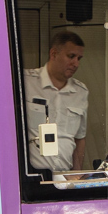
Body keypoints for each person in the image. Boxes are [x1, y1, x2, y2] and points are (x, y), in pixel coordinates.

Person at [22, 30, 89, 172]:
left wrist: (77, 175)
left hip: (64, 174)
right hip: (32, 175)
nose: (76, 63)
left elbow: (79, 138)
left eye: (79, 58)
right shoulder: (26, 82)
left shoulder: (81, 92)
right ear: (53, 54)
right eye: (71, 56)